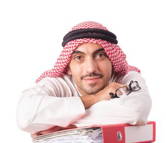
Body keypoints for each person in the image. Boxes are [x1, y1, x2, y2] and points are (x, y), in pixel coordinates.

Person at [16, 21, 152, 135]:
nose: (91, 68)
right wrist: (95, 98)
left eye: (100, 55)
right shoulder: (58, 84)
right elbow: (26, 116)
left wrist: (62, 126)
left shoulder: (126, 78)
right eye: (79, 58)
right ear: (68, 67)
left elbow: (135, 111)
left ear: (112, 60)